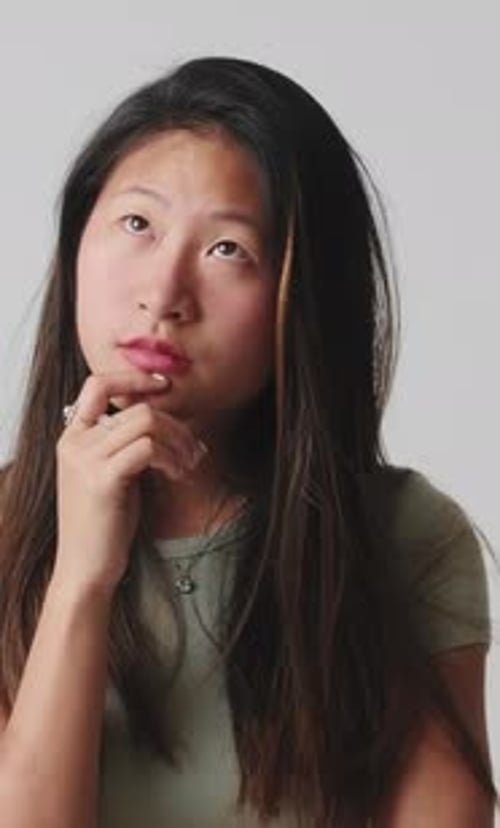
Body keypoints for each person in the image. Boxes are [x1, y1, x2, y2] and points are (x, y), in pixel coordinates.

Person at [0, 56, 496, 828]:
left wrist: (348, 567)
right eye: (137, 224)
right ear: (76, 240)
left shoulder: (405, 535)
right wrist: (80, 578)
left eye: (228, 249)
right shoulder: (6, 530)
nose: (163, 294)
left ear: (304, 299)